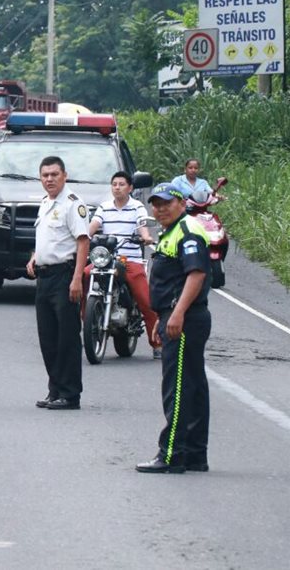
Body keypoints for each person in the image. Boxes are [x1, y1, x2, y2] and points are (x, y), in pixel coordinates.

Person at [136, 184, 213, 474]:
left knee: (177, 387)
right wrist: (162, 315)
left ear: (181, 202)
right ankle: (194, 454)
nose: (160, 208)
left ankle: (171, 454)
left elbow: (196, 274)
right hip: (179, 314)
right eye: (155, 204)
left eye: (166, 203)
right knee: (192, 385)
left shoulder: (188, 231)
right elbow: (174, 282)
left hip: (186, 317)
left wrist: (177, 313)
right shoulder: (173, 231)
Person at [26, 156, 90, 410]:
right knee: (48, 338)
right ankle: (55, 390)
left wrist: (77, 279)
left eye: (54, 174)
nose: (49, 179)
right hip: (45, 277)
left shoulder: (73, 204)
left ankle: (70, 394)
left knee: (67, 339)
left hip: (65, 276)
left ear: (65, 175)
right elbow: (47, 237)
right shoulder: (45, 203)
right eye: (45, 175)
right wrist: (34, 257)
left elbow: (82, 241)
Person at [84, 171, 162, 357]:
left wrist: (145, 237)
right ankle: (88, 323)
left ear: (130, 188)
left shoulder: (137, 207)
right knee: (84, 275)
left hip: (130, 260)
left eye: (121, 184)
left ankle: (157, 343)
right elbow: (93, 226)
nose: (117, 187)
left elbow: (142, 225)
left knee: (146, 300)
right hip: (106, 259)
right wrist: (83, 237)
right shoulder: (104, 207)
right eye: (114, 184)